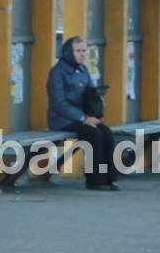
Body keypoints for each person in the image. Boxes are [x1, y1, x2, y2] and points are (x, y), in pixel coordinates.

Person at [48, 34, 118, 190]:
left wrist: (95, 107)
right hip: (62, 119)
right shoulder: (57, 73)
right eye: (78, 51)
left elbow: (90, 93)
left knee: (106, 132)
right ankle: (95, 181)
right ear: (68, 52)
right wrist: (83, 118)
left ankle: (109, 178)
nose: (82, 54)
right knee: (93, 134)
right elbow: (58, 103)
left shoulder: (83, 69)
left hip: (83, 117)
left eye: (84, 51)